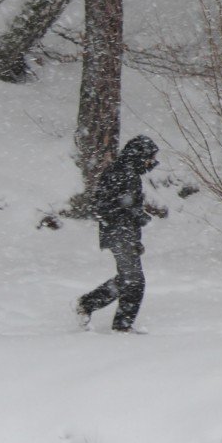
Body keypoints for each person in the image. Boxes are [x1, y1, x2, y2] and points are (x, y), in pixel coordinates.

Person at [77, 135, 159, 332]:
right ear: (139, 155)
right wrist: (133, 214)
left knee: (128, 279)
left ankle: (88, 305)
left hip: (123, 233)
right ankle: (120, 325)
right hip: (119, 233)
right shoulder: (122, 173)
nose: (152, 163)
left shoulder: (126, 172)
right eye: (149, 158)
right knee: (134, 281)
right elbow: (104, 205)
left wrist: (134, 221)